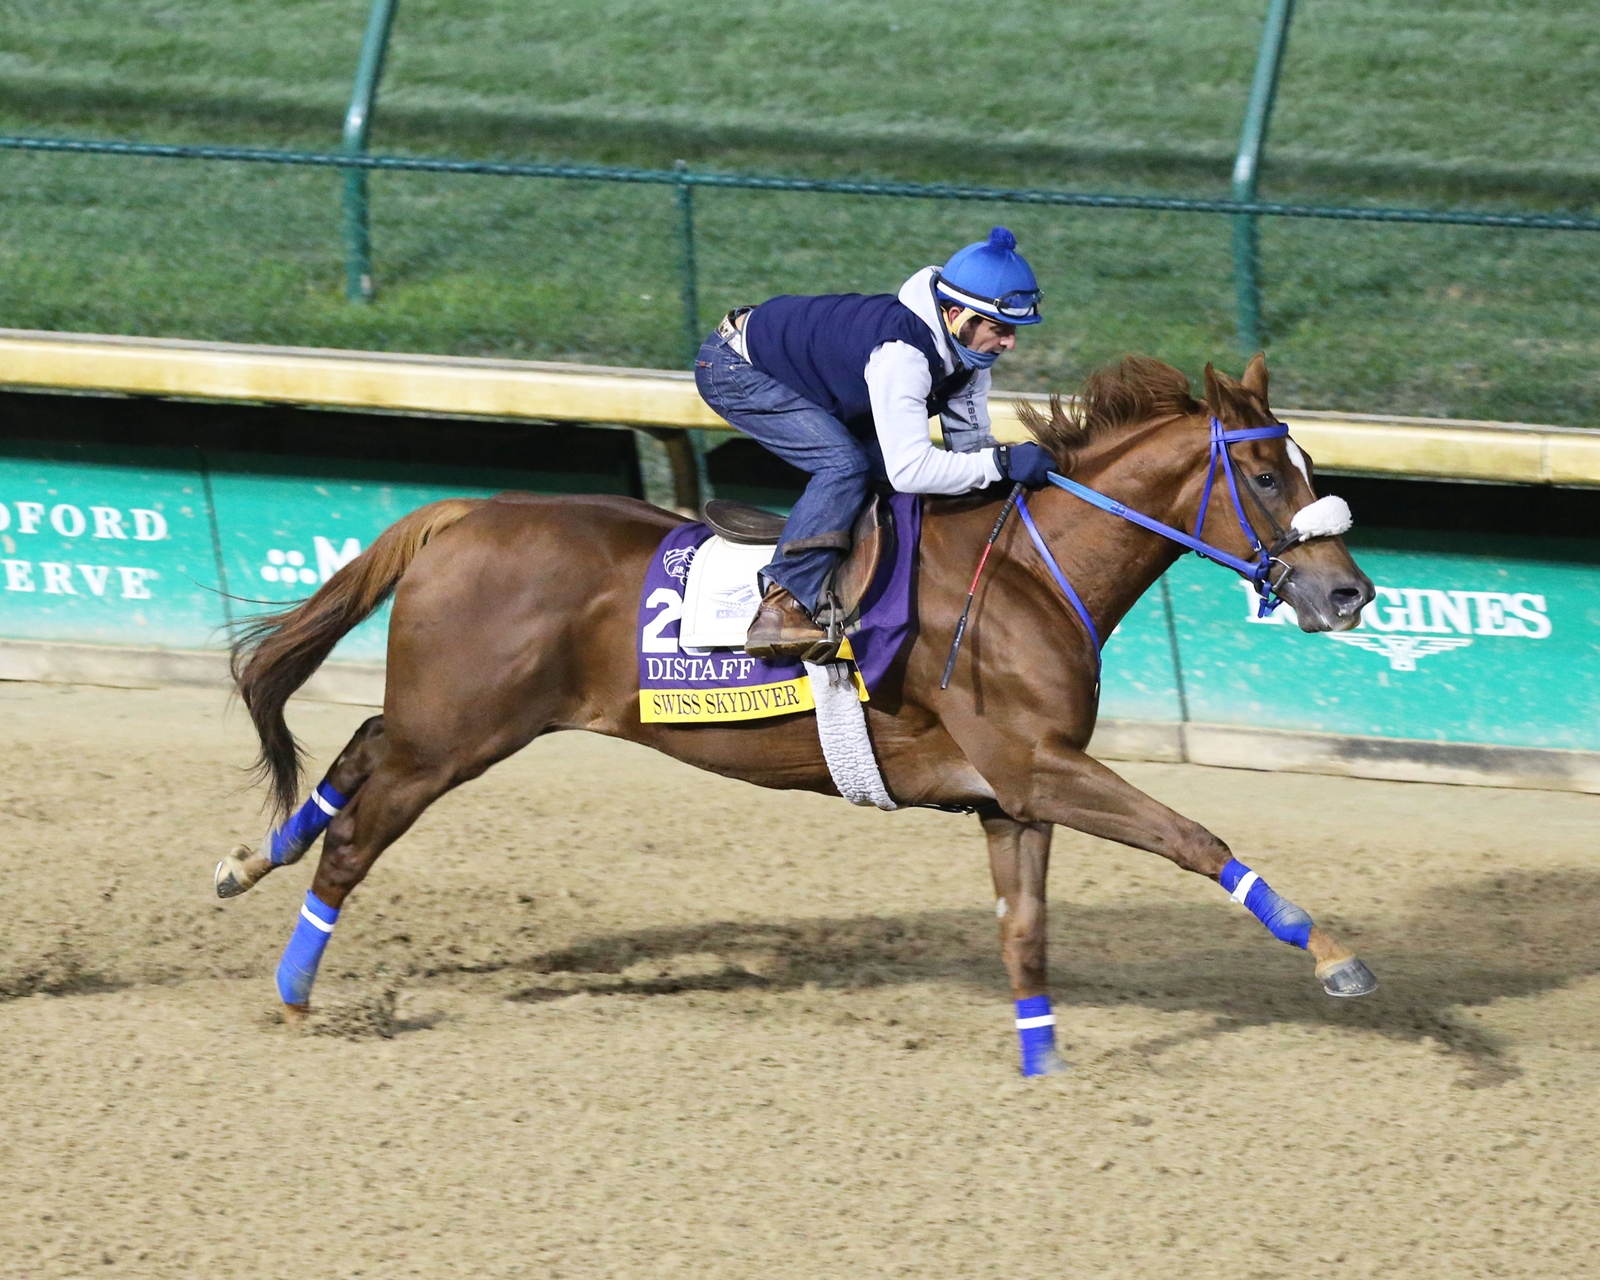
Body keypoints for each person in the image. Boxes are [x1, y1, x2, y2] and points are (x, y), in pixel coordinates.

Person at [694, 226, 1057, 662]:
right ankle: (782, 604)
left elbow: (971, 452)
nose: (1010, 343)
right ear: (958, 315)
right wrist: (1001, 463)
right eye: (1000, 328)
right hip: (736, 368)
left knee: (886, 471)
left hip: (807, 370)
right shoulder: (902, 356)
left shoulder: (970, 361)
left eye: (1016, 331)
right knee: (845, 466)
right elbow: (914, 469)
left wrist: (1009, 467)